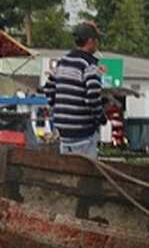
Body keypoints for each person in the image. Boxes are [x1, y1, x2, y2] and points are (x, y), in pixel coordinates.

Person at [43, 22, 106, 158]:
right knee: (88, 174)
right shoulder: (89, 65)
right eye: (96, 40)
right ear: (90, 41)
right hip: (83, 133)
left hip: (63, 132)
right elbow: (93, 97)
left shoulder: (63, 62)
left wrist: (60, 109)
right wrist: (101, 117)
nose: (97, 44)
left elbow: (48, 89)